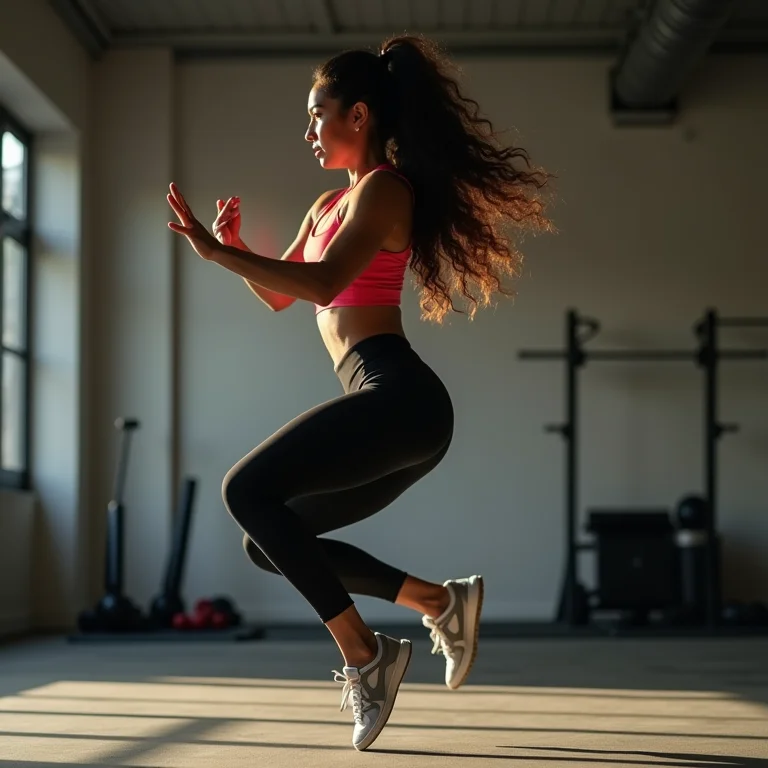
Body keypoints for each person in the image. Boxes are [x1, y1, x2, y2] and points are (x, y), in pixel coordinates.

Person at [167, 34, 553, 751]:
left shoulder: (385, 191)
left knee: (243, 490)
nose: (309, 130)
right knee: (267, 540)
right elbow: (282, 298)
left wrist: (220, 252)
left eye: (319, 114)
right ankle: (441, 601)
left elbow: (320, 284)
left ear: (360, 116)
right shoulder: (325, 207)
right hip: (389, 408)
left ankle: (367, 655)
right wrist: (234, 250)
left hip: (400, 398)